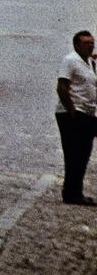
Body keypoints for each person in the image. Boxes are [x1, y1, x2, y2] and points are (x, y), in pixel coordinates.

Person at [56, 30, 97, 206]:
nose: (90, 45)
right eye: (86, 43)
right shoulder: (70, 60)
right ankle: (72, 193)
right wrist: (72, 111)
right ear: (76, 45)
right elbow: (62, 87)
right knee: (74, 154)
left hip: (87, 113)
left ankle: (74, 191)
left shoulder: (90, 62)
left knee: (83, 154)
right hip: (72, 113)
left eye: (92, 42)